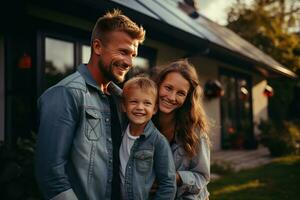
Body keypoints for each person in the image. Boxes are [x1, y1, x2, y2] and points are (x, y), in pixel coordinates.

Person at [35, 9, 145, 200]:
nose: (129, 62)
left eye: (133, 55)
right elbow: (50, 173)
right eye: (123, 52)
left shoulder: (121, 100)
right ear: (97, 47)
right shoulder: (66, 93)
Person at [152, 59, 211, 200]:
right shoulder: (142, 122)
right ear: (158, 85)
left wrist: (176, 177)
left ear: (188, 98)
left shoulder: (195, 131)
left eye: (181, 93)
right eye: (168, 88)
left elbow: (202, 177)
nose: (172, 97)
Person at [119, 76, 176, 200]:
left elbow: (168, 183)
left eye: (147, 103)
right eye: (134, 102)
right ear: (124, 106)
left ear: (154, 109)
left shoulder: (158, 141)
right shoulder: (119, 134)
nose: (140, 107)